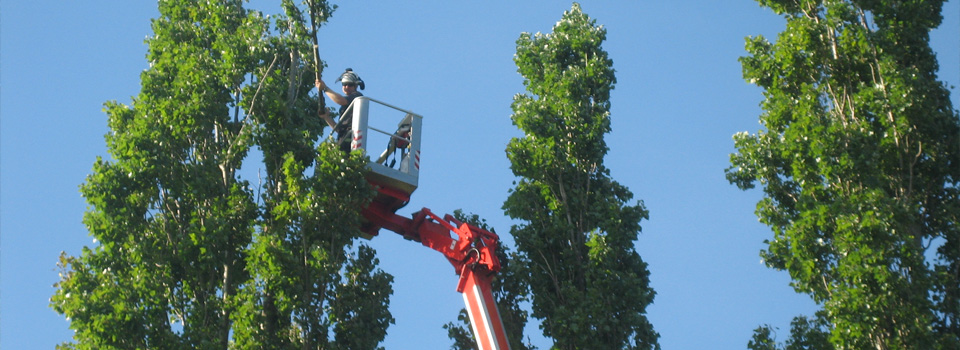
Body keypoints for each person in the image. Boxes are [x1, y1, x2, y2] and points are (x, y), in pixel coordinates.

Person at [316, 68, 365, 152]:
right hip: (342, 138)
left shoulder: (357, 96)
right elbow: (339, 129)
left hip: (351, 137)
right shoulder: (345, 106)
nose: (346, 87)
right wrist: (326, 117)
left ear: (356, 86)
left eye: (350, 85)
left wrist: (325, 89)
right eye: (344, 84)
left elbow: (341, 101)